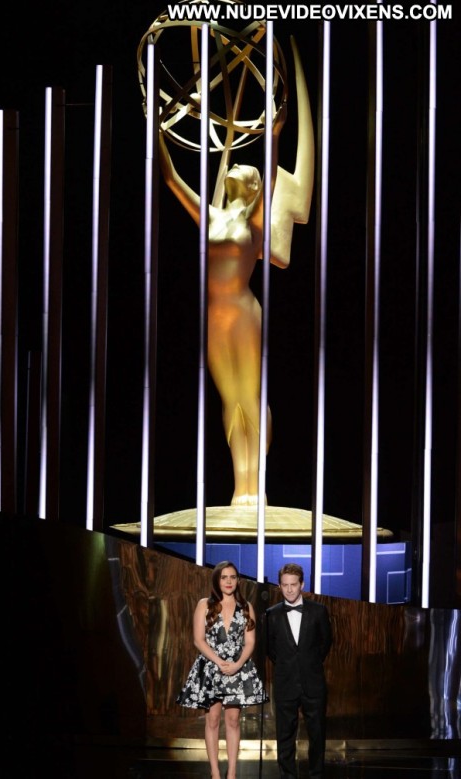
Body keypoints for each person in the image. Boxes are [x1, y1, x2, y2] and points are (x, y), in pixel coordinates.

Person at [157, 37, 314, 507]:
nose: (238, 161)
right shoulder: (210, 216)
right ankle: (237, 485)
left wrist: (278, 123)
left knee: (251, 397)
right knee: (229, 401)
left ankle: (256, 485)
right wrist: (155, 131)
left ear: (253, 185)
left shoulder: (254, 219)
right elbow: (170, 178)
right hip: (214, 316)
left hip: (244, 312)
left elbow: (274, 156)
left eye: (246, 165)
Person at [177, 560, 268, 779]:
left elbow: (250, 642)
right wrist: (219, 662)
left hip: (237, 668)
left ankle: (232, 773)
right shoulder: (204, 604)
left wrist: (237, 664)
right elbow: (198, 640)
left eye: (232, 577)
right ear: (217, 580)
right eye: (224, 577)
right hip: (211, 667)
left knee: (233, 720)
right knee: (213, 719)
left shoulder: (246, 607)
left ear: (238, 581)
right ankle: (215, 773)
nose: (228, 581)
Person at [266, 563, 332, 778]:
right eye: (285, 585)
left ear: (302, 584)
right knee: (285, 734)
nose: (289, 589)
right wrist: (288, 665)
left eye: (293, 584)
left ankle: (316, 775)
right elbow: (270, 648)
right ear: (279, 586)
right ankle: (287, 775)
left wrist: (309, 663)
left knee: (317, 733)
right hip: (285, 682)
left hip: (313, 682)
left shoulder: (319, 611)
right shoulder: (271, 614)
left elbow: (326, 642)